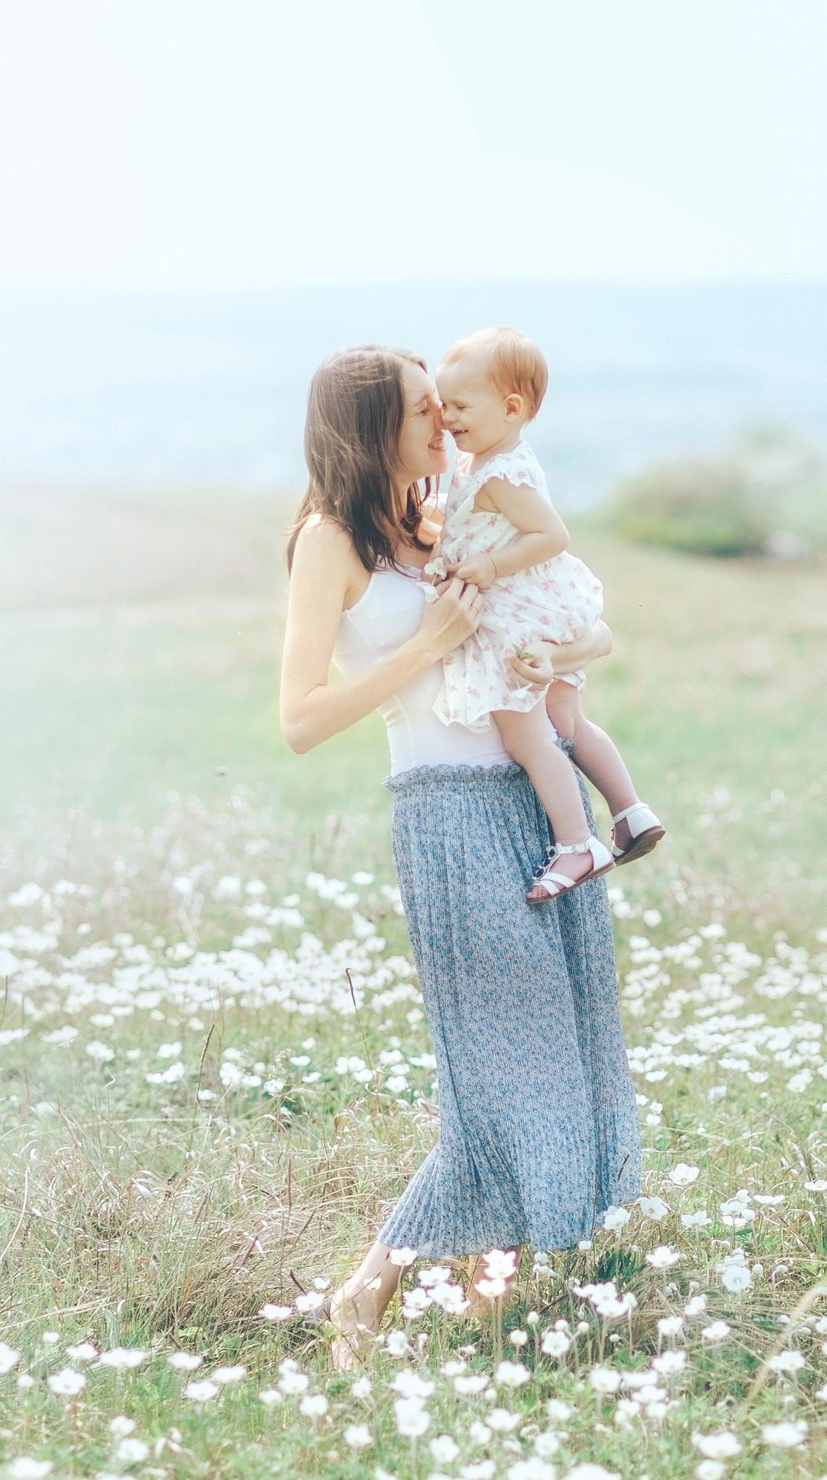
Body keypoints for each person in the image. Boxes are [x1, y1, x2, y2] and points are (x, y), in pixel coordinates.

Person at [279, 345, 642, 1366]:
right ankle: (365, 1293)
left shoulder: (442, 522)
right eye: (418, 411)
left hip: (537, 802)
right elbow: (300, 720)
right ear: (366, 429)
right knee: (501, 1078)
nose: (443, 421)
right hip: (444, 813)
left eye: (444, 405)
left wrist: (561, 655)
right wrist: (426, 645)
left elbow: (590, 627)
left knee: (565, 1061)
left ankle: (497, 1305)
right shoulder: (329, 543)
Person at [427, 327, 664, 902]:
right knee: (569, 724)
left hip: (517, 617)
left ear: (511, 408)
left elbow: (552, 535)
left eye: (459, 406)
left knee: (528, 738)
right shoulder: (491, 459)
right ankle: (630, 811)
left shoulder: (499, 473)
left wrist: (486, 563)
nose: (445, 418)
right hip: (543, 607)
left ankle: (578, 845)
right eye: (441, 404)